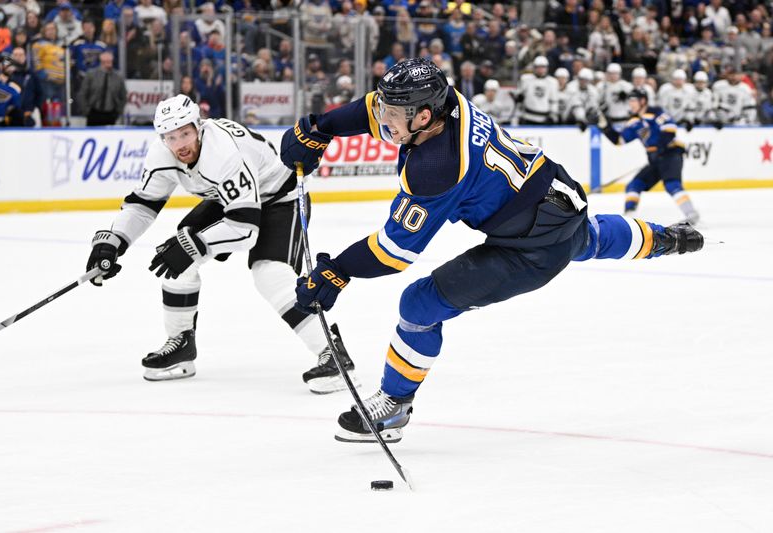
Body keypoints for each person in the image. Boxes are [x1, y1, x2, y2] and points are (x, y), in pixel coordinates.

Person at [279, 58, 704, 443]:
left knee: (420, 304)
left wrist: (337, 271)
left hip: (530, 248)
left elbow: (393, 252)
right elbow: (371, 107)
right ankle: (666, 238)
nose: (382, 118)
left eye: (392, 114)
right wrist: (321, 127)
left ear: (424, 116)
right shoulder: (446, 102)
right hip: (558, 193)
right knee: (587, 237)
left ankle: (394, 405)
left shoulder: (438, 166)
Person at [84, 94, 358, 393]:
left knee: (269, 273)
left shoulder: (222, 152)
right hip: (233, 200)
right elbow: (143, 204)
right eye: (171, 137)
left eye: (186, 133)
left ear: (199, 127)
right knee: (177, 256)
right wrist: (112, 241)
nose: (180, 144)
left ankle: (333, 353)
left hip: (281, 197)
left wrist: (196, 246)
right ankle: (181, 344)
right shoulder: (162, 154)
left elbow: (245, 227)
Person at [600, 89, 701, 225]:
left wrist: (659, 148)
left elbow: (670, 129)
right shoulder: (634, 122)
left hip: (670, 155)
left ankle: (692, 214)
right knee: (634, 185)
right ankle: (629, 216)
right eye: (629, 101)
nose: (631, 104)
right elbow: (619, 141)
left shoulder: (656, 112)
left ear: (643, 101)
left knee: (672, 184)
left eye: (633, 100)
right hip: (655, 160)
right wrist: (604, 126)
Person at [77, 51, 126, 126]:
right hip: (93, 112)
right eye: (106, 62)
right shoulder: (91, 75)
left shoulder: (118, 77)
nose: (109, 64)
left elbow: (123, 96)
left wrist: (118, 112)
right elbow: (82, 94)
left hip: (111, 113)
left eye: (110, 61)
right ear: (101, 62)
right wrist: (86, 111)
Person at [516, 56, 558, 125]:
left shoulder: (552, 82)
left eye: (543, 67)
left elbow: (554, 101)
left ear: (547, 68)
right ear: (534, 68)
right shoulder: (525, 79)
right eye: (538, 67)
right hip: (527, 117)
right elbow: (519, 99)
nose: (540, 69)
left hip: (544, 119)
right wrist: (519, 115)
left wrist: (552, 116)